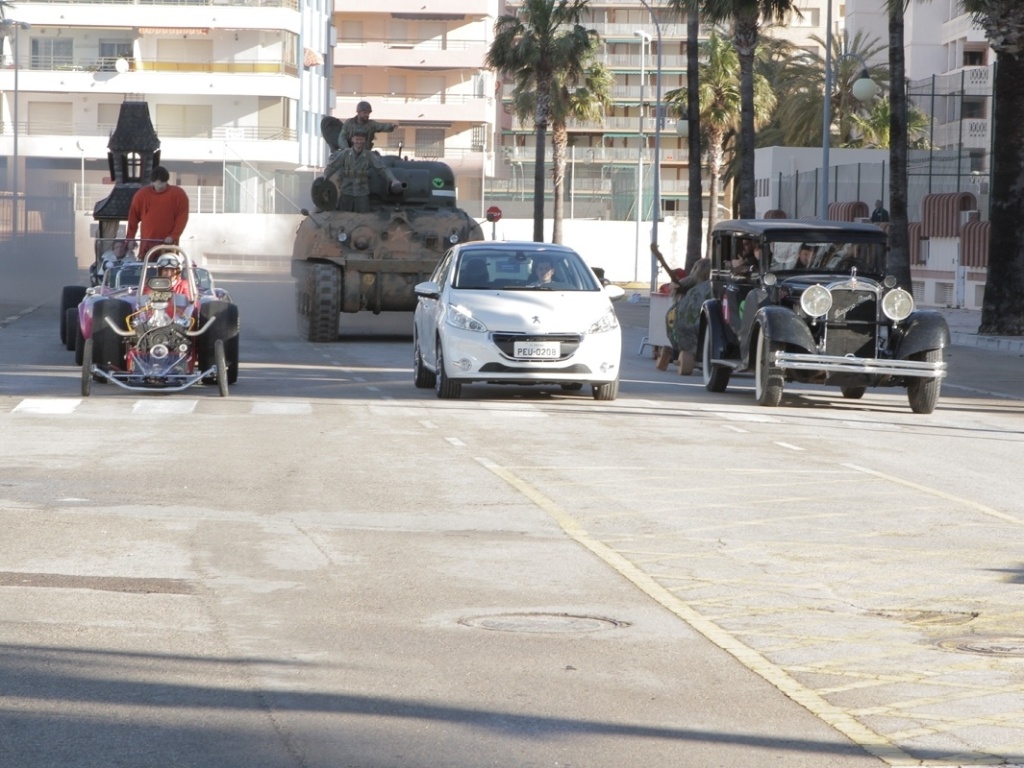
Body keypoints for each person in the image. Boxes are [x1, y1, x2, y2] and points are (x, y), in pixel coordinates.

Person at [323, 132, 402, 213]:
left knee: (364, 219)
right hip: (346, 193)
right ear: (352, 139)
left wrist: (393, 180)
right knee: (341, 219)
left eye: (361, 139)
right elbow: (332, 166)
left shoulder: (369, 156)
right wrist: (325, 176)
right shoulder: (345, 154)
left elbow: (382, 169)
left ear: (364, 141)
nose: (359, 142)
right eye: (357, 139)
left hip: (361, 194)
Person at [126, 166, 190, 249]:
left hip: (169, 245)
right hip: (146, 244)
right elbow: (133, 218)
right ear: (152, 182)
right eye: (158, 183)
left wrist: (173, 236)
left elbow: (182, 218)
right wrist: (130, 238)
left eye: (163, 182)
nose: (161, 186)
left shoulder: (178, 194)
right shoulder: (141, 195)